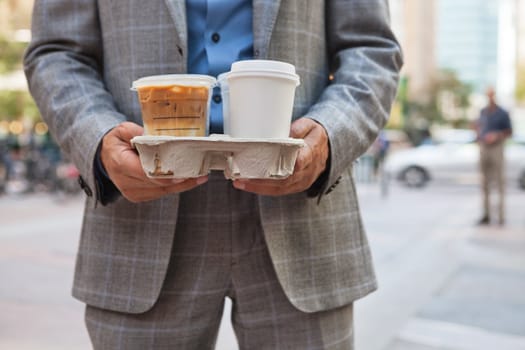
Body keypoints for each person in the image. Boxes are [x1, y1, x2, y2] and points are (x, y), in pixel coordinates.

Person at [24, 1, 402, 349]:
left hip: (299, 212)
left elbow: (371, 49)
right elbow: (57, 52)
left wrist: (329, 134)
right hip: (142, 214)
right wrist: (98, 137)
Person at [475, 87, 512, 226]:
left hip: (497, 148)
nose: (489, 97)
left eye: (491, 95)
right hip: (484, 147)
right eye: (487, 95)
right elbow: (480, 127)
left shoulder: (502, 113)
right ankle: (486, 215)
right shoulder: (483, 112)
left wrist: (497, 135)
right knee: (484, 183)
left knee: (500, 182)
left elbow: (509, 131)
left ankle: (501, 216)